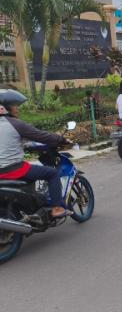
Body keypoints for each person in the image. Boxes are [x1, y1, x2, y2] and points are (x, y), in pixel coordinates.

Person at [0, 89, 72, 218]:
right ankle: (57, 208)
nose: (17, 109)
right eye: (15, 105)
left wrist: (24, 147)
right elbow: (40, 135)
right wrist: (61, 139)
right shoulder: (16, 124)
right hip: (14, 169)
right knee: (52, 173)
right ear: (4, 108)